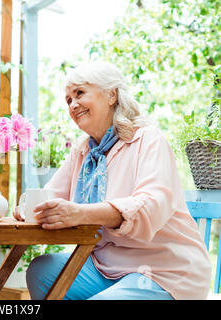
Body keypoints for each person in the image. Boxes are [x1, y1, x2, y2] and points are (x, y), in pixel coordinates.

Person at [14, 61, 211, 300]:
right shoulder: (84, 151)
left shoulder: (148, 139)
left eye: (79, 93)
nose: (73, 105)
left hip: (163, 270)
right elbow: (49, 194)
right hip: (105, 267)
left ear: (111, 95)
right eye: (68, 100)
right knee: (42, 271)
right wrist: (27, 208)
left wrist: (81, 213)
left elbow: (151, 205)